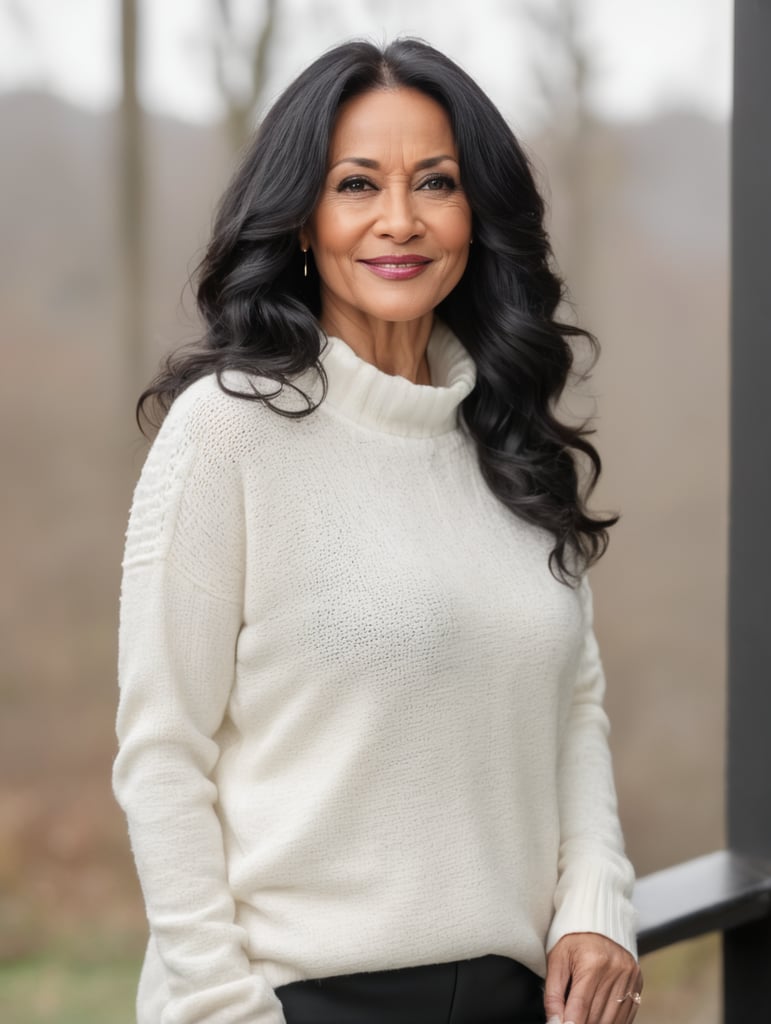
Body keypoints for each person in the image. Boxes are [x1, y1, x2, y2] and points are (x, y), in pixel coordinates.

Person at [113, 38, 642, 1024]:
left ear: (474, 213)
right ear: (304, 219)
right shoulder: (229, 431)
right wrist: (224, 1010)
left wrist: (597, 900)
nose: (399, 219)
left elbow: (571, 701)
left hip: (518, 997)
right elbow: (161, 755)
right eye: (357, 183)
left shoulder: (512, 441)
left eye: (434, 182)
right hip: (296, 999)